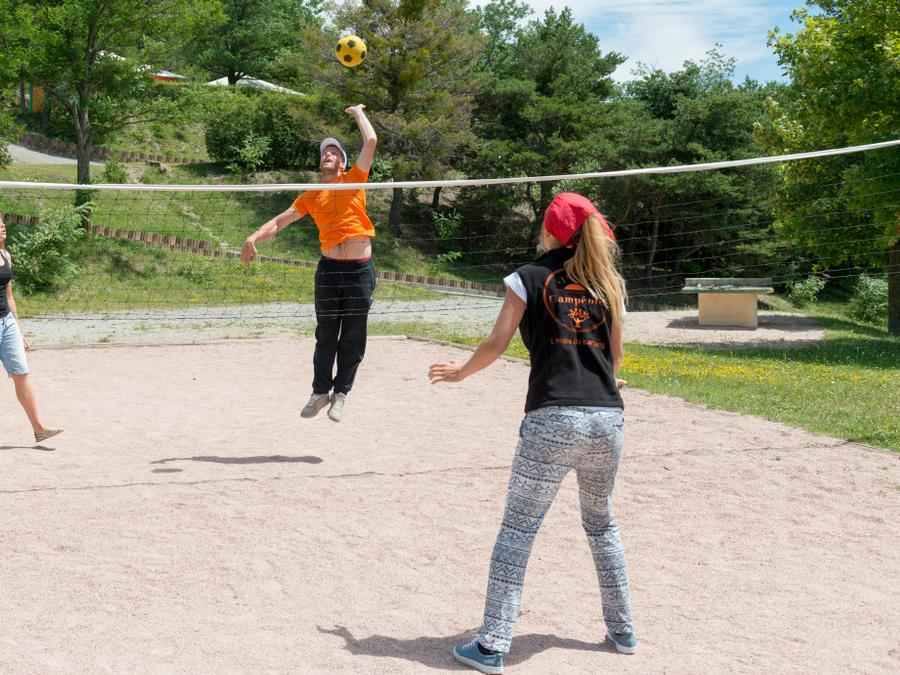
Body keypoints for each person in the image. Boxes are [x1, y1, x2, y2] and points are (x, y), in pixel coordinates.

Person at [429, 193, 635, 674]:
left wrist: (461, 371)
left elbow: (497, 342)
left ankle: (492, 646)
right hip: (607, 417)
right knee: (602, 525)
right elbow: (614, 358)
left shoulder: (528, 276)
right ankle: (623, 630)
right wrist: (603, 380)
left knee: (518, 530)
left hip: (553, 418)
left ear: (550, 230)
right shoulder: (608, 283)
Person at [240, 104, 377, 423]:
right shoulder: (312, 195)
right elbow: (279, 222)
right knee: (326, 334)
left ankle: (341, 393)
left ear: (342, 162)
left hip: (359, 270)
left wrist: (358, 112)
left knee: (353, 335)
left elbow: (370, 141)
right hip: (329, 270)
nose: (327, 154)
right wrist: (253, 237)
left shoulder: (354, 179)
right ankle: (320, 392)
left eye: (334, 152)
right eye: (324, 152)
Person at [0, 214, 63, 444]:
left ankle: (39, 428)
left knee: (21, 373)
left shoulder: (5, 255)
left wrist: (19, 330)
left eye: (2, 221)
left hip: (7, 322)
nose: (3, 225)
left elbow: (9, 296)